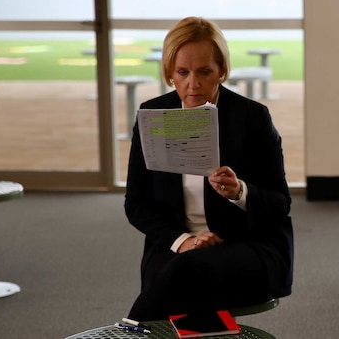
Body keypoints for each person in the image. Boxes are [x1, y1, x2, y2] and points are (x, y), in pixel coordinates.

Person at [123, 16, 293, 321]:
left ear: (222, 71)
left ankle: (130, 331)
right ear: (169, 73)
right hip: (176, 246)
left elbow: (281, 205)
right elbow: (136, 203)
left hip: (246, 246)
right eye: (182, 72)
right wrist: (184, 241)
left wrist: (240, 192)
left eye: (205, 72)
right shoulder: (152, 116)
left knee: (183, 275)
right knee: (186, 272)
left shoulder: (253, 118)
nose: (193, 84)